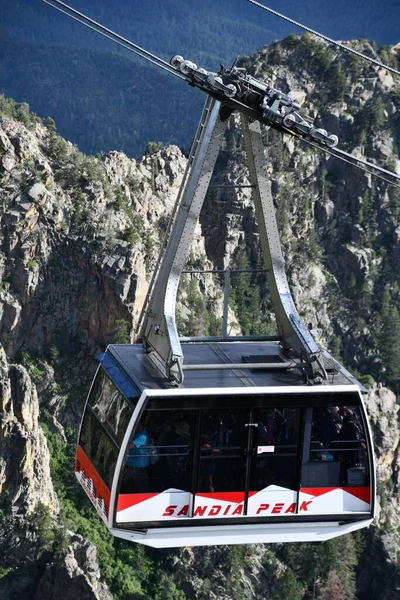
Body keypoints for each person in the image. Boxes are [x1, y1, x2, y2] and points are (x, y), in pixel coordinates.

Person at [121, 422, 149, 493]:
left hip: (138, 466)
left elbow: (129, 446)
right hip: (131, 463)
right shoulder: (136, 432)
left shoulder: (142, 436)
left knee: (138, 487)